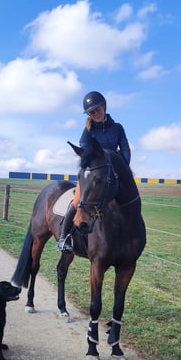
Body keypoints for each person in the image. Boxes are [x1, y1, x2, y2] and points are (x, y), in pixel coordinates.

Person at [57, 91, 132, 252]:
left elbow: (125, 149)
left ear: (104, 107)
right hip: (94, 174)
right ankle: (65, 238)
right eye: (91, 112)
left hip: (114, 174)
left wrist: (122, 169)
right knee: (76, 202)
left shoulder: (117, 128)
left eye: (97, 110)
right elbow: (85, 152)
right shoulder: (88, 131)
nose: (95, 114)